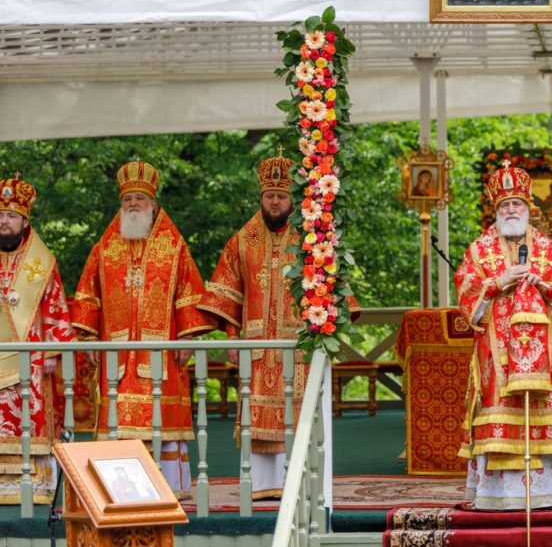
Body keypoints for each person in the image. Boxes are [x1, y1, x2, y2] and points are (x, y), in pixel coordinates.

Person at [199, 154, 359, 499]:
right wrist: (231, 340)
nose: (275, 201)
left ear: (292, 200)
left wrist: (326, 335)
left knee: (297, 412)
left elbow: (337, 290)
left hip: (298, 345)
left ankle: (296, 483)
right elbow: (228, 294)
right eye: (270, 196)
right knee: (257, 416)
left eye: (282, 196)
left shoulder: (311, 238)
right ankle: (262, 486)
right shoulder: (242, 240)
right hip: (255, 347)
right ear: (261, 197)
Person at [73, 161, 216, 498]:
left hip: (161, 357)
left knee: (162, 420)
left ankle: (167, 487)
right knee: (116, 421)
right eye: (127, 200)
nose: (133, 204)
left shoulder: (174, 246)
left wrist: (186, 336)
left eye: (140, 198)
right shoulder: (105, 248)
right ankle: (117, 489)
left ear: (153, 204)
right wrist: (91, 337)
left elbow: (189, 293)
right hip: (118, 359)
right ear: (121, 206)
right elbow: (87, 295)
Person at [455, 161, 552, 510]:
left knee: (537, 413)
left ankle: (539, 494)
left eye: (517, 205)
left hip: (541, 358)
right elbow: (465, 290)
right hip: (494, 354)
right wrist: (497, 282)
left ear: (528, 208)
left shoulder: (549, 251)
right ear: (496, 211)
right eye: (504, 205)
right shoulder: (478, 251)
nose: (511, 210)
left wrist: (548, 289)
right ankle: (494, 497)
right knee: (497, 410)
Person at [0, 176, 74, 504]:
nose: (4, 221)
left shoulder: (41, 261)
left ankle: (37, 487)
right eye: (0, 215)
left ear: (24, 221)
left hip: (30, 360)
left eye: (11, 216)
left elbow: (55, 307)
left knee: (31, 417)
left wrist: (52, 352)